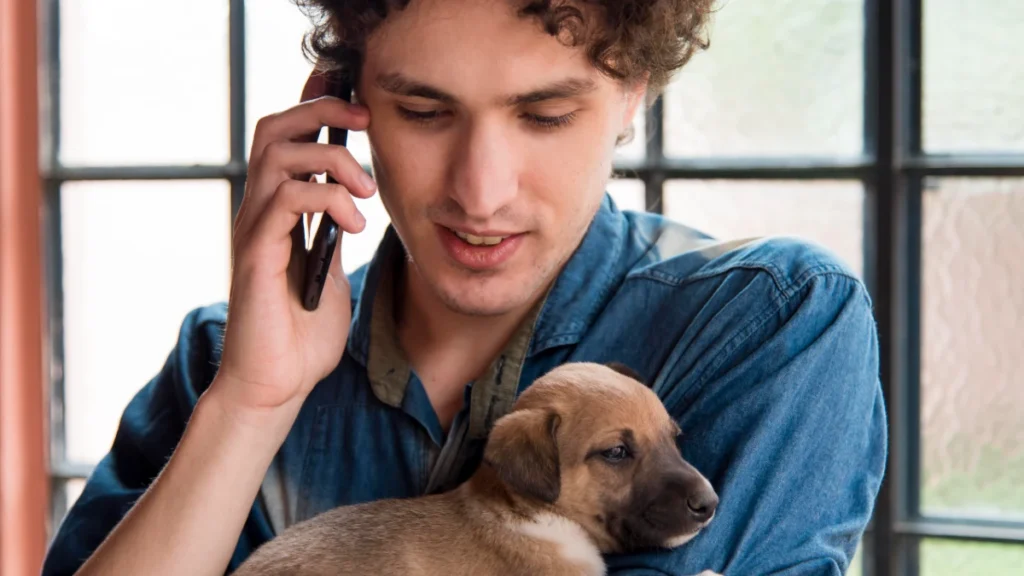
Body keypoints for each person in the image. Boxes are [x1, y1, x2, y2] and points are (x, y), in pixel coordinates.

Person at [42, 0, 886, 574]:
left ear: (636, 93)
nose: (480, 193)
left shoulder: (771, 320)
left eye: (545, 115)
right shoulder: (219, 366)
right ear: (341, 106)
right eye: (423, 112)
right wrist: (253, 405)